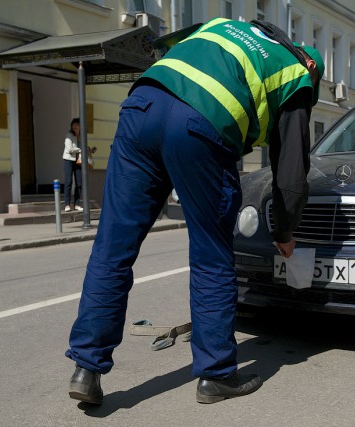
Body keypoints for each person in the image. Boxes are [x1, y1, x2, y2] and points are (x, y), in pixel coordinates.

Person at [65, 18, 324, 405]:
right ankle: (216, 374)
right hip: (200, 124)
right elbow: (291, 171)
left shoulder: (226, 26)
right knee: (211, 256)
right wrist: (285, 232)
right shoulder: (297, 74)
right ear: (313, 68)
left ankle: (86, 368)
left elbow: (169, 45)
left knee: (112, 248)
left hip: (142, 105)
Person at [62, 118, 83, 212]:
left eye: (77, 125)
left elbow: (83, 147)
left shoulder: (82, 136)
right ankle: (67, 204)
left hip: (78, 160)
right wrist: (81, 149)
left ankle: (77, 204)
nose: (75, 126)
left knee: (79, 182)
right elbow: (70, 149)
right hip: (68, 160)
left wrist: (89, 150)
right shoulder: (69, 135)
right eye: (73, 125)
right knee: (68, 182)